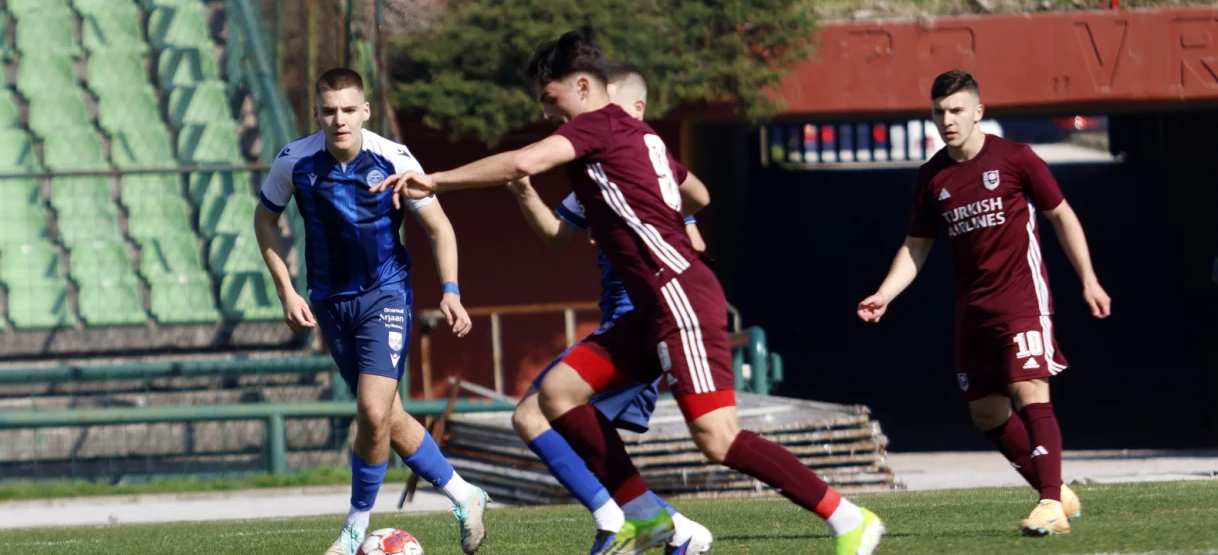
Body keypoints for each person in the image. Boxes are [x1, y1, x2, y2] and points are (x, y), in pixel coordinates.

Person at [373, 33, 885, 555]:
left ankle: (849, 518)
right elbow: (701, 193)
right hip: (651, 304)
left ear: (581, 86)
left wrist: (433, 179)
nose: (548, 114)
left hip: (678, 294)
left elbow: (523, 162)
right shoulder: (639, 136)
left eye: (550, 101)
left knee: (718, 438)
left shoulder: (599, 124)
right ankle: (646, 517)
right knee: (556, 395)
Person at [857, 70, 1112, 536]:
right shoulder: (932, 178)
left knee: (1029, 388)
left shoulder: (1017, 158)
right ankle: (1057, 488)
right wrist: (885, 293)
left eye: (956, 110)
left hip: (1022, 298)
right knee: (986, 413)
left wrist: (1089, 279)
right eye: (939, 112)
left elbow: (1061, 215)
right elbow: (916, 246)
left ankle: (1051, 504)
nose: (947, 120)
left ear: (978, 112)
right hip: (972, 308)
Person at [255, 68, 490, 555]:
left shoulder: (394, 158)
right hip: (329, 303)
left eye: (347, 109)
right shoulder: (294, 162)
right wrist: (286, 291)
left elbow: (439, 229)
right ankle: (466, 495)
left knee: (370, 410)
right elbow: (265, 219)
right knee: (390, 416)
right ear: (316, 114)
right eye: (328, 111)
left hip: (385, 295)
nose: (338, 119)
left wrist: (450, 290)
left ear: (365, 110)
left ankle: (355, 528)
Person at [505, 62, 713, 554]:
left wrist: (638, 225)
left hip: (646, 318)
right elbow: (557, 237)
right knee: (558, 422)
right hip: (622, 320)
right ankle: (667, 526)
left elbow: (695, 237)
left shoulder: (646, 169)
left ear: (634, 110)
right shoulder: (594, 173)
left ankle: (629, 521)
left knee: (537, 417)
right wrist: (523, 191)